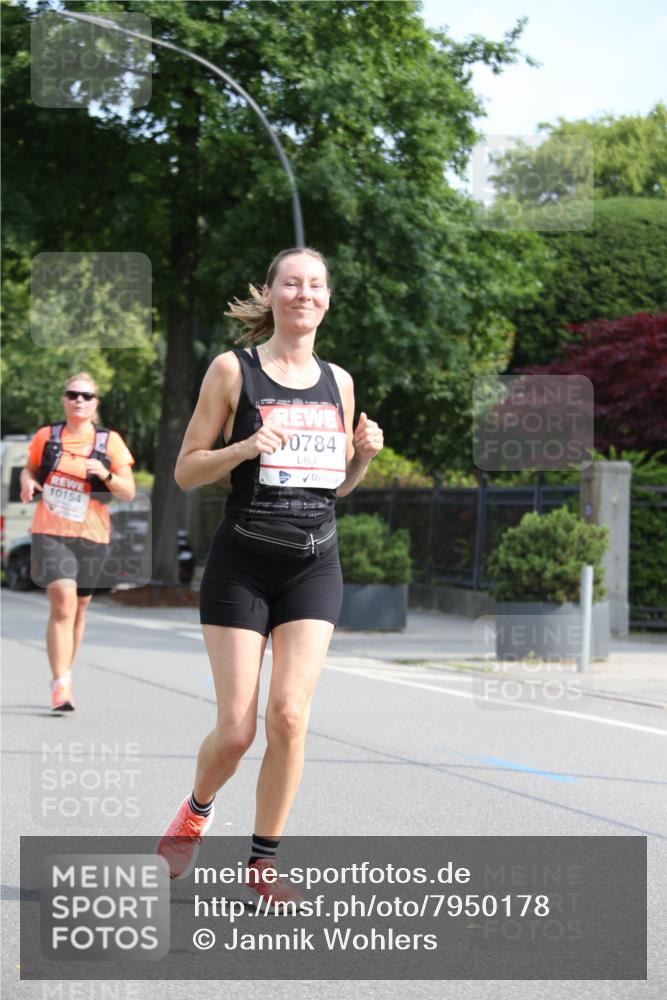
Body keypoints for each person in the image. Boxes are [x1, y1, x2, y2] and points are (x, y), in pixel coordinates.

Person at [157, 248, 383, 901]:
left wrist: (363, 458)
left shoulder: (337, 381)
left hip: (314, 562)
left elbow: (333, 487)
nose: (302, 294)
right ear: (272, 293)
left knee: (289, 716)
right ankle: (196, 810)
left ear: (327, 298)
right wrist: (244, 447)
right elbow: (186, 469)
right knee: (236, 728)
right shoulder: (234, 370)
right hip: (243, 563)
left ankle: (262, 862)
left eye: (314, 285)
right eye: (291, 283)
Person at [19, 373, 136, 711]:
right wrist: (27, 483)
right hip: (51, 530)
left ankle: (66, 672)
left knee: (80, 608)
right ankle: (60, 684)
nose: (79, 400)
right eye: (72, 394)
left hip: (93, 533)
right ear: (64, 399)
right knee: (64, 604)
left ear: (96, 402)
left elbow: (127, 491)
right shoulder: (47, 437)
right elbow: (28, 470)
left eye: (86, 395)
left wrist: (105, 473)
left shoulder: (109, 442)